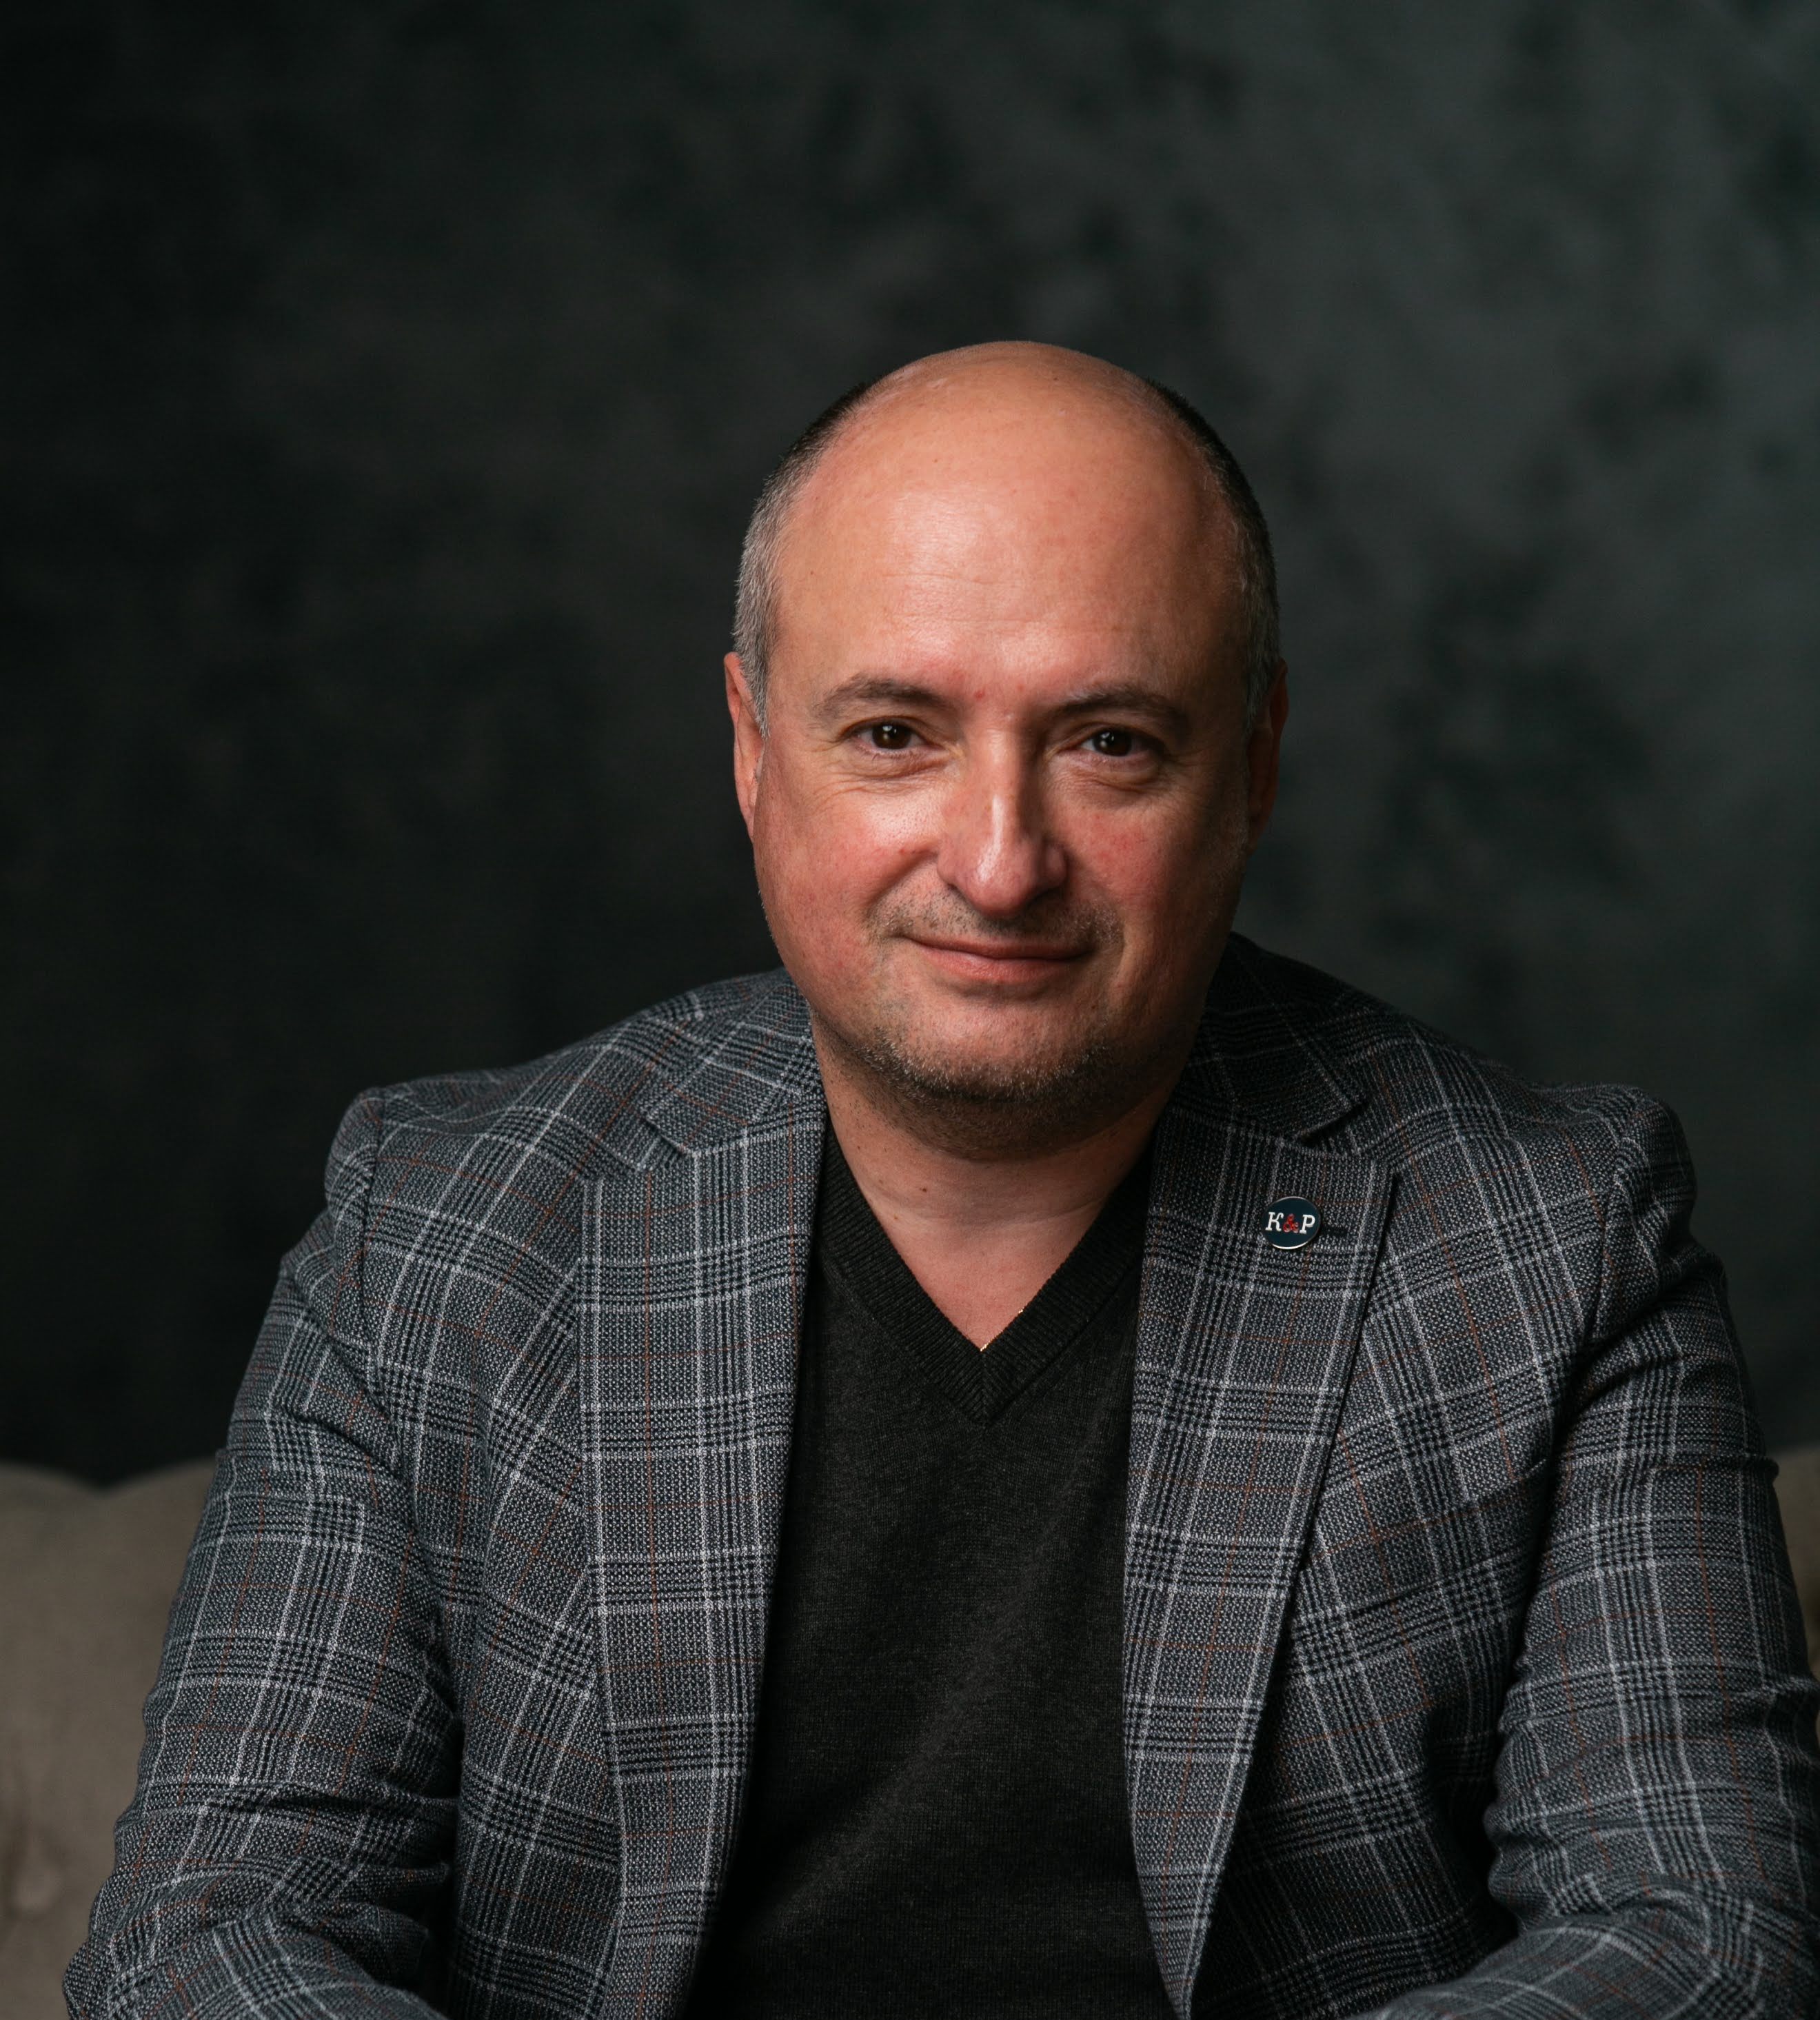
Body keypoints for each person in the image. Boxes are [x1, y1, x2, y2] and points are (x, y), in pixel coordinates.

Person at [69, 343, 1819, 2019]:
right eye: (897, 732)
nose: (998, 861)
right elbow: (207, 1937)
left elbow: (1700, 1938)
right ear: (753, 747)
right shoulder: (442, 1228)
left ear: (1256, 762)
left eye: (1109, 740)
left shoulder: (1553, 1239)